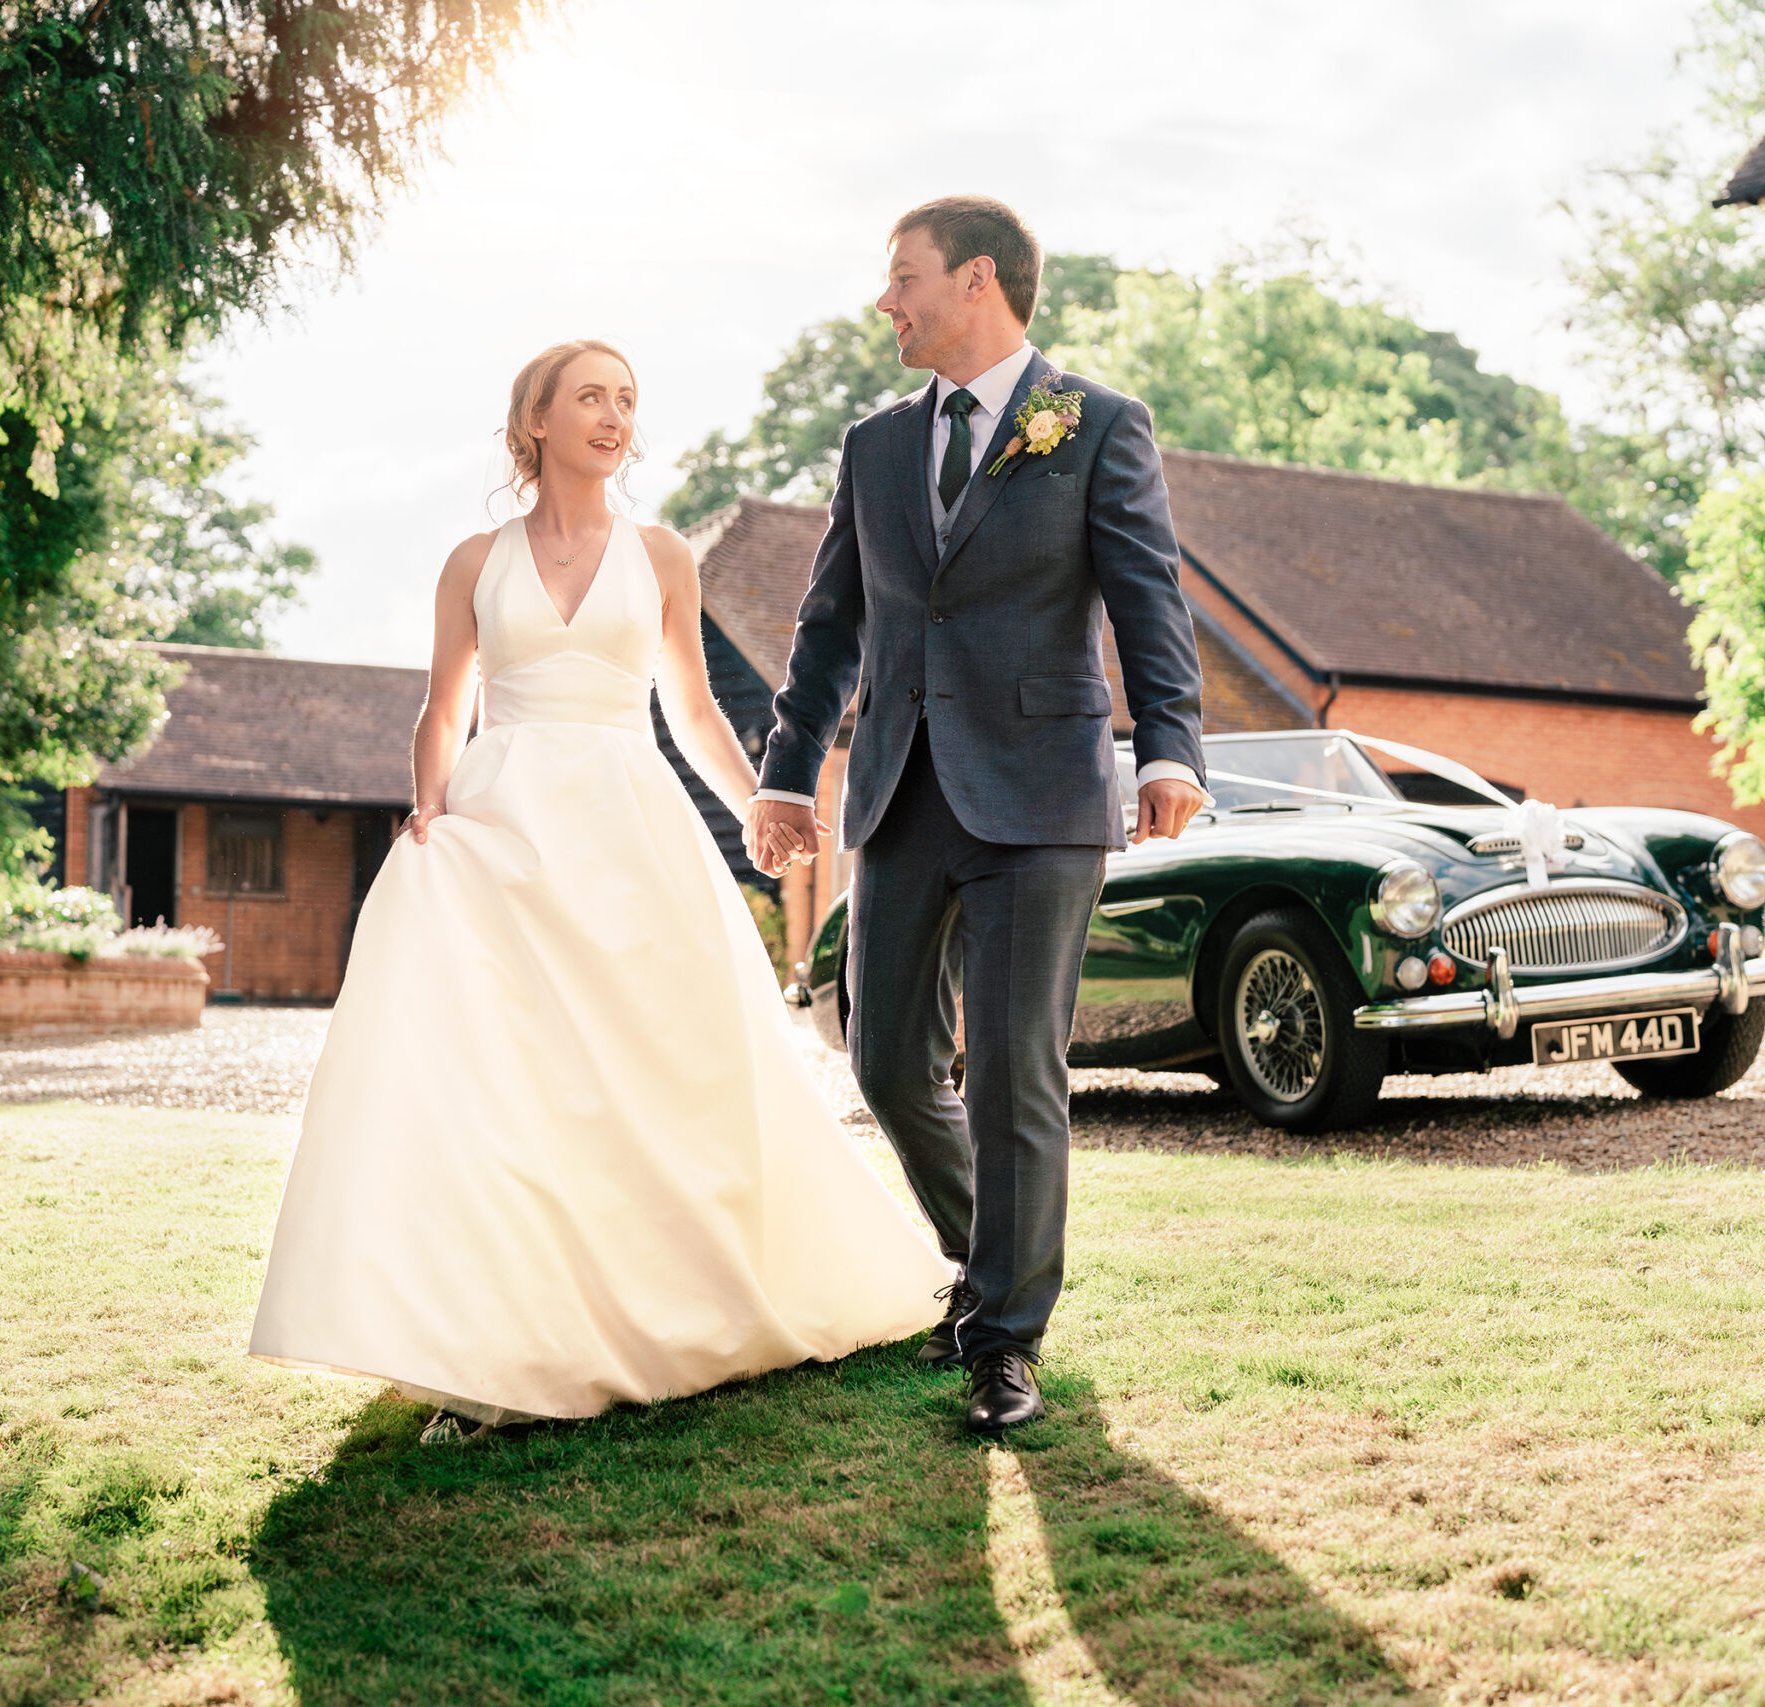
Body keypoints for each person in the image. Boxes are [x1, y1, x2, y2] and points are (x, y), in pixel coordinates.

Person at [248, 340, 952, 1439]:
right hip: (505, 831)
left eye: (627, 400)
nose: (614, 416)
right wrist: (430, 810)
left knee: (662, 1070)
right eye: (591, 397)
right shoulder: (472, 562)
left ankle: (687, 1302)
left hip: (631, 833)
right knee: (513, 1086)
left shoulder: (663, 556)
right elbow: (444, 710)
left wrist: (762, 800)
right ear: (536, 419)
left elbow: (693, 713)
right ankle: (498, 1353)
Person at [749, 197, 1209, 1436]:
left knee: (1014, 1071)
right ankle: (984, 1259)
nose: (884, 301)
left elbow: (1147, 600)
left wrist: (1168, 748)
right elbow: (829, 623)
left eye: (902, 278)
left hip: (1041, 792)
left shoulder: (1096, 425)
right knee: (886, 1061)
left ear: (979, 282)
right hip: (901, 787)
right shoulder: (875, 446)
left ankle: (1003, 1336)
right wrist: (787, 774)